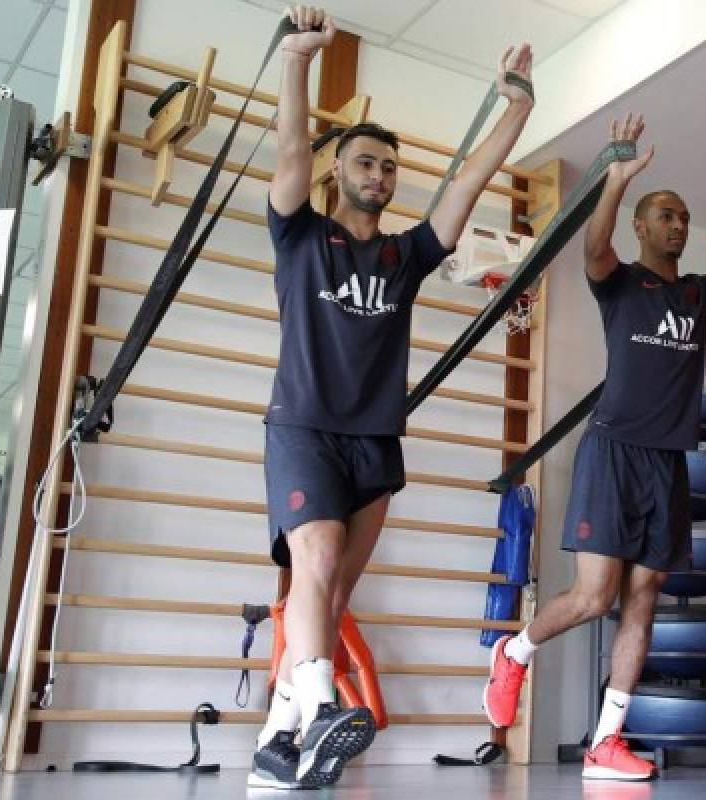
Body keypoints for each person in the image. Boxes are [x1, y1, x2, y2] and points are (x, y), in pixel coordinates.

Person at [483, 114, 706, 782]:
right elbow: (593, 246)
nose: (678, 225)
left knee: (645, 596)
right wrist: (617, 180)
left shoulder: (695, 293)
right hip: (614, 451)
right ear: (641, 229)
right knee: (596, 597)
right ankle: (516, 651)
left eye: (683, 217)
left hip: (667, 461)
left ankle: (607, 742)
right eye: (666, 216)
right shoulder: (620, 283)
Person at [250, 5, 535, 789]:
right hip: (303, 428)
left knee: (332, 592)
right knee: (318, 558)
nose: (380, 176)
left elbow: (469, 185)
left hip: (375, 444)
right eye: (366, 163)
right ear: (340, 168)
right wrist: (299, 61)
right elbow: (286, 152)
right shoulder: (300, 235)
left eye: (388, 168)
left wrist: (517, 110)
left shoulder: (406, 256)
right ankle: (316, 708)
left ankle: (279, 739)